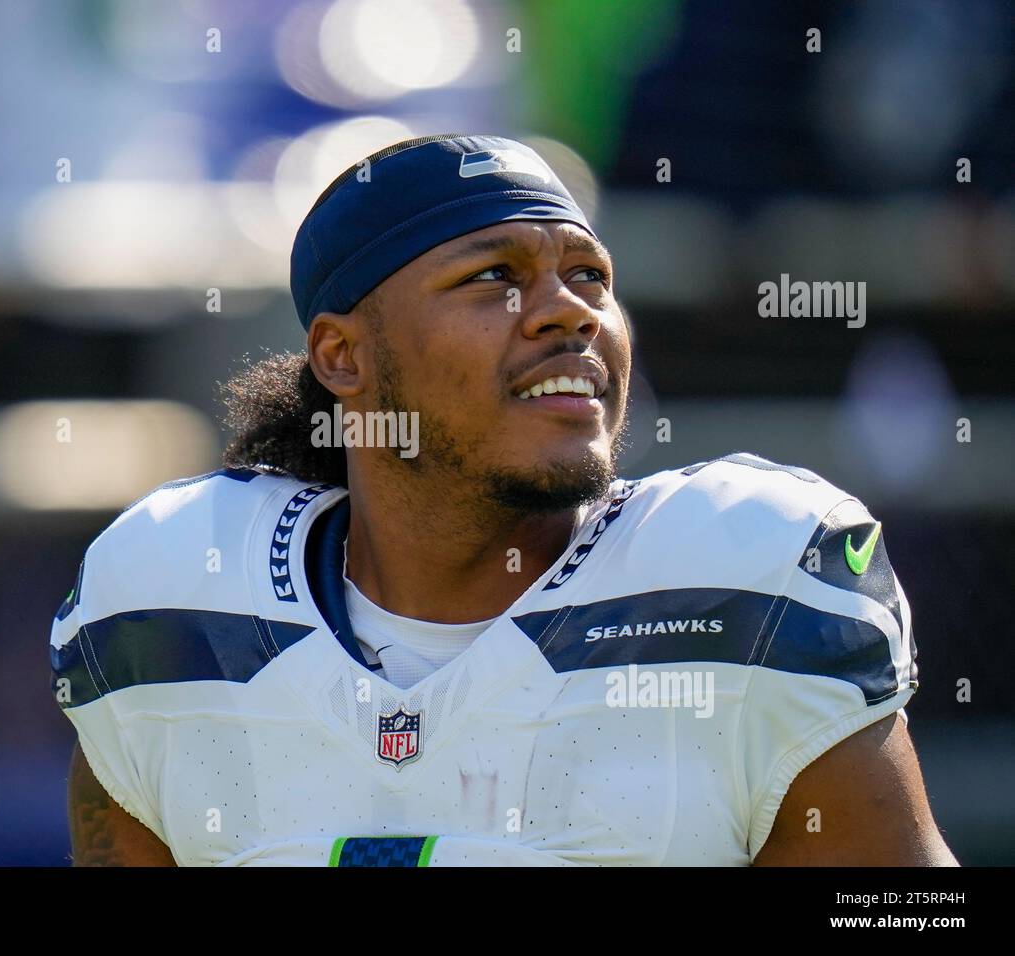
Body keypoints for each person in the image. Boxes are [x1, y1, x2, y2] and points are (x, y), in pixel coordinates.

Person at [51, 134, 955, 866]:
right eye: (493, 276)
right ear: (343, 358)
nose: (570, 313)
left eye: (590, 276)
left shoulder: (744, 588)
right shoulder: (170, 606)